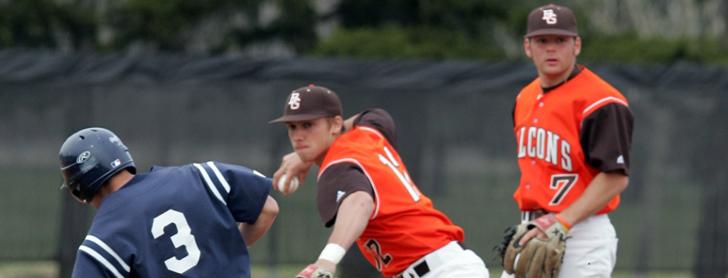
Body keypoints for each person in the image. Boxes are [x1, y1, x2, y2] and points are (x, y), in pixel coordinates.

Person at [270, 85, 489, 278]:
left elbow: (360, 201)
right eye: (293, 127)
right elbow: (374, 114)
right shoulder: (369, 133)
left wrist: (327, 260)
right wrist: (307, 152)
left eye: (308, 125)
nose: (298, 136)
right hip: (447, 264)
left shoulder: (337, 165)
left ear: (335, 124)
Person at [503, 3, 633, 278]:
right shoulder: (524, 98)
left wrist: (562, 222)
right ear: (528, 47)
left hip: (581, 234)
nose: (551, 48)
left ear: (576, 45)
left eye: (561, 40)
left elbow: (615, 177)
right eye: (542, 41)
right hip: (532, 231)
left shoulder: (601, 101)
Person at [58, 127, 279, 277]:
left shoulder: (101, 240)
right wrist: (226, 247)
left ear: (79, 189)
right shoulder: (200, 175)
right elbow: (268, 209)